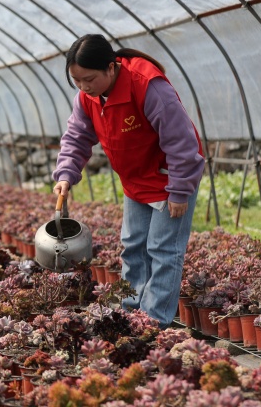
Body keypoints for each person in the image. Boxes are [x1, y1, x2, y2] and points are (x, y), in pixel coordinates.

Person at [53, 34, 205, 328]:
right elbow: (77, 137)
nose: (84, 87)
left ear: (111, 68)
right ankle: (129, 313)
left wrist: (179, 190)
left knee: (163, 250)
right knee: (133, 247)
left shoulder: (147, 85)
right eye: (77, 81)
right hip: (135, 180)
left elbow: (181, 141)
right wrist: (65, 174)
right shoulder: (88, 97)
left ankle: (153, 323)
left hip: (166, 179)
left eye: (89, 79)